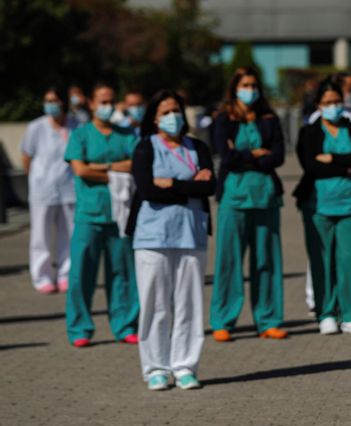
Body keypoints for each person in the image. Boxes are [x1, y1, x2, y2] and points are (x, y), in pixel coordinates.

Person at [128, 90, 215, 391]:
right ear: (154, 117)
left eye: (176, 110)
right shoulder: (145, 148)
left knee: (189, 304)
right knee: (156, 304)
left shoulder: (198, 147)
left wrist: (173, 184)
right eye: (165, 111)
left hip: (191, 234)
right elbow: (148, 190)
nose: (172, 116)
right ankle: (156, 367)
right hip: (152, 236)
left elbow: (210, 187)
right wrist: (191, 185)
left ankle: (185, 366)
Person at [210, 67, 287, 342]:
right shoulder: (223, 118)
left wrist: (247, 156)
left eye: (253, 84)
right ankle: (223, 320)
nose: (250, 89)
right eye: (244, 84)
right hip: (234, 197)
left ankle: (268, 320)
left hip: (265, 195)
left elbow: (277, 156)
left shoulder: (268, 118)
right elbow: (225, 155)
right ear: (234, 88)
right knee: (228, 261)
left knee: (266, 260)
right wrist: (255, 154)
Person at [63, 83, 139, 347]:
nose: (107, 106)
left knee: (122, 273)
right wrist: (116, 171)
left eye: (111, 101)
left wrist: (102, 167)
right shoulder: (80, 135)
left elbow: (137, 164)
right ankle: (80, 328)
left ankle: (125, 324)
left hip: (120, 215)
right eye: (102, 102)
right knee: (82, 273)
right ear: (92, 104)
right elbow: (81, 170)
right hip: (89, 214)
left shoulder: (126, 134)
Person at [294, 78, 351, 335]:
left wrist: (333, 159)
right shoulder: (309, 131)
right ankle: (325, 312)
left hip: (350, 205)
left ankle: (348, 312)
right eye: (327, 102)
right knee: (321, 260)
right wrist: (346, 165)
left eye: (337, 101)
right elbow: (311, 165)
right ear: (318, 105)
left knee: (349, 260)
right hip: (317, 206)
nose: (333, 106)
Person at [21, 86, 78, 295]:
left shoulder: (75, 126)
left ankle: (65, 274)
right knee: (40, 235)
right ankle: (41, 276)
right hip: (42, 189)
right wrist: (36, 178)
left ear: (63, 103)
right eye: (47, 100)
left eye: (54, 100)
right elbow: (26, 156)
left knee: (69, 234)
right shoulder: (36, 127)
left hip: (69, 188)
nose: (50, 105)